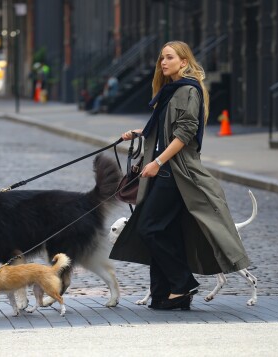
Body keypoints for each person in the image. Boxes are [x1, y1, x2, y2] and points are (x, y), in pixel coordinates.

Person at [109, 41, 250, 310]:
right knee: (166, 229)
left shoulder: (187, 90)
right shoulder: (171, 91)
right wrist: (140, 133)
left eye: (170, 58)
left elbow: (184, 134)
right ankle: (166, 293)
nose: (163, 62)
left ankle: (183, 282)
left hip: (173, 172)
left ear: (184, 62)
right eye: (161, 58)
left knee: (148, 226)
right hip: (164, 168)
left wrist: (158, 162)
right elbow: (167, 129)